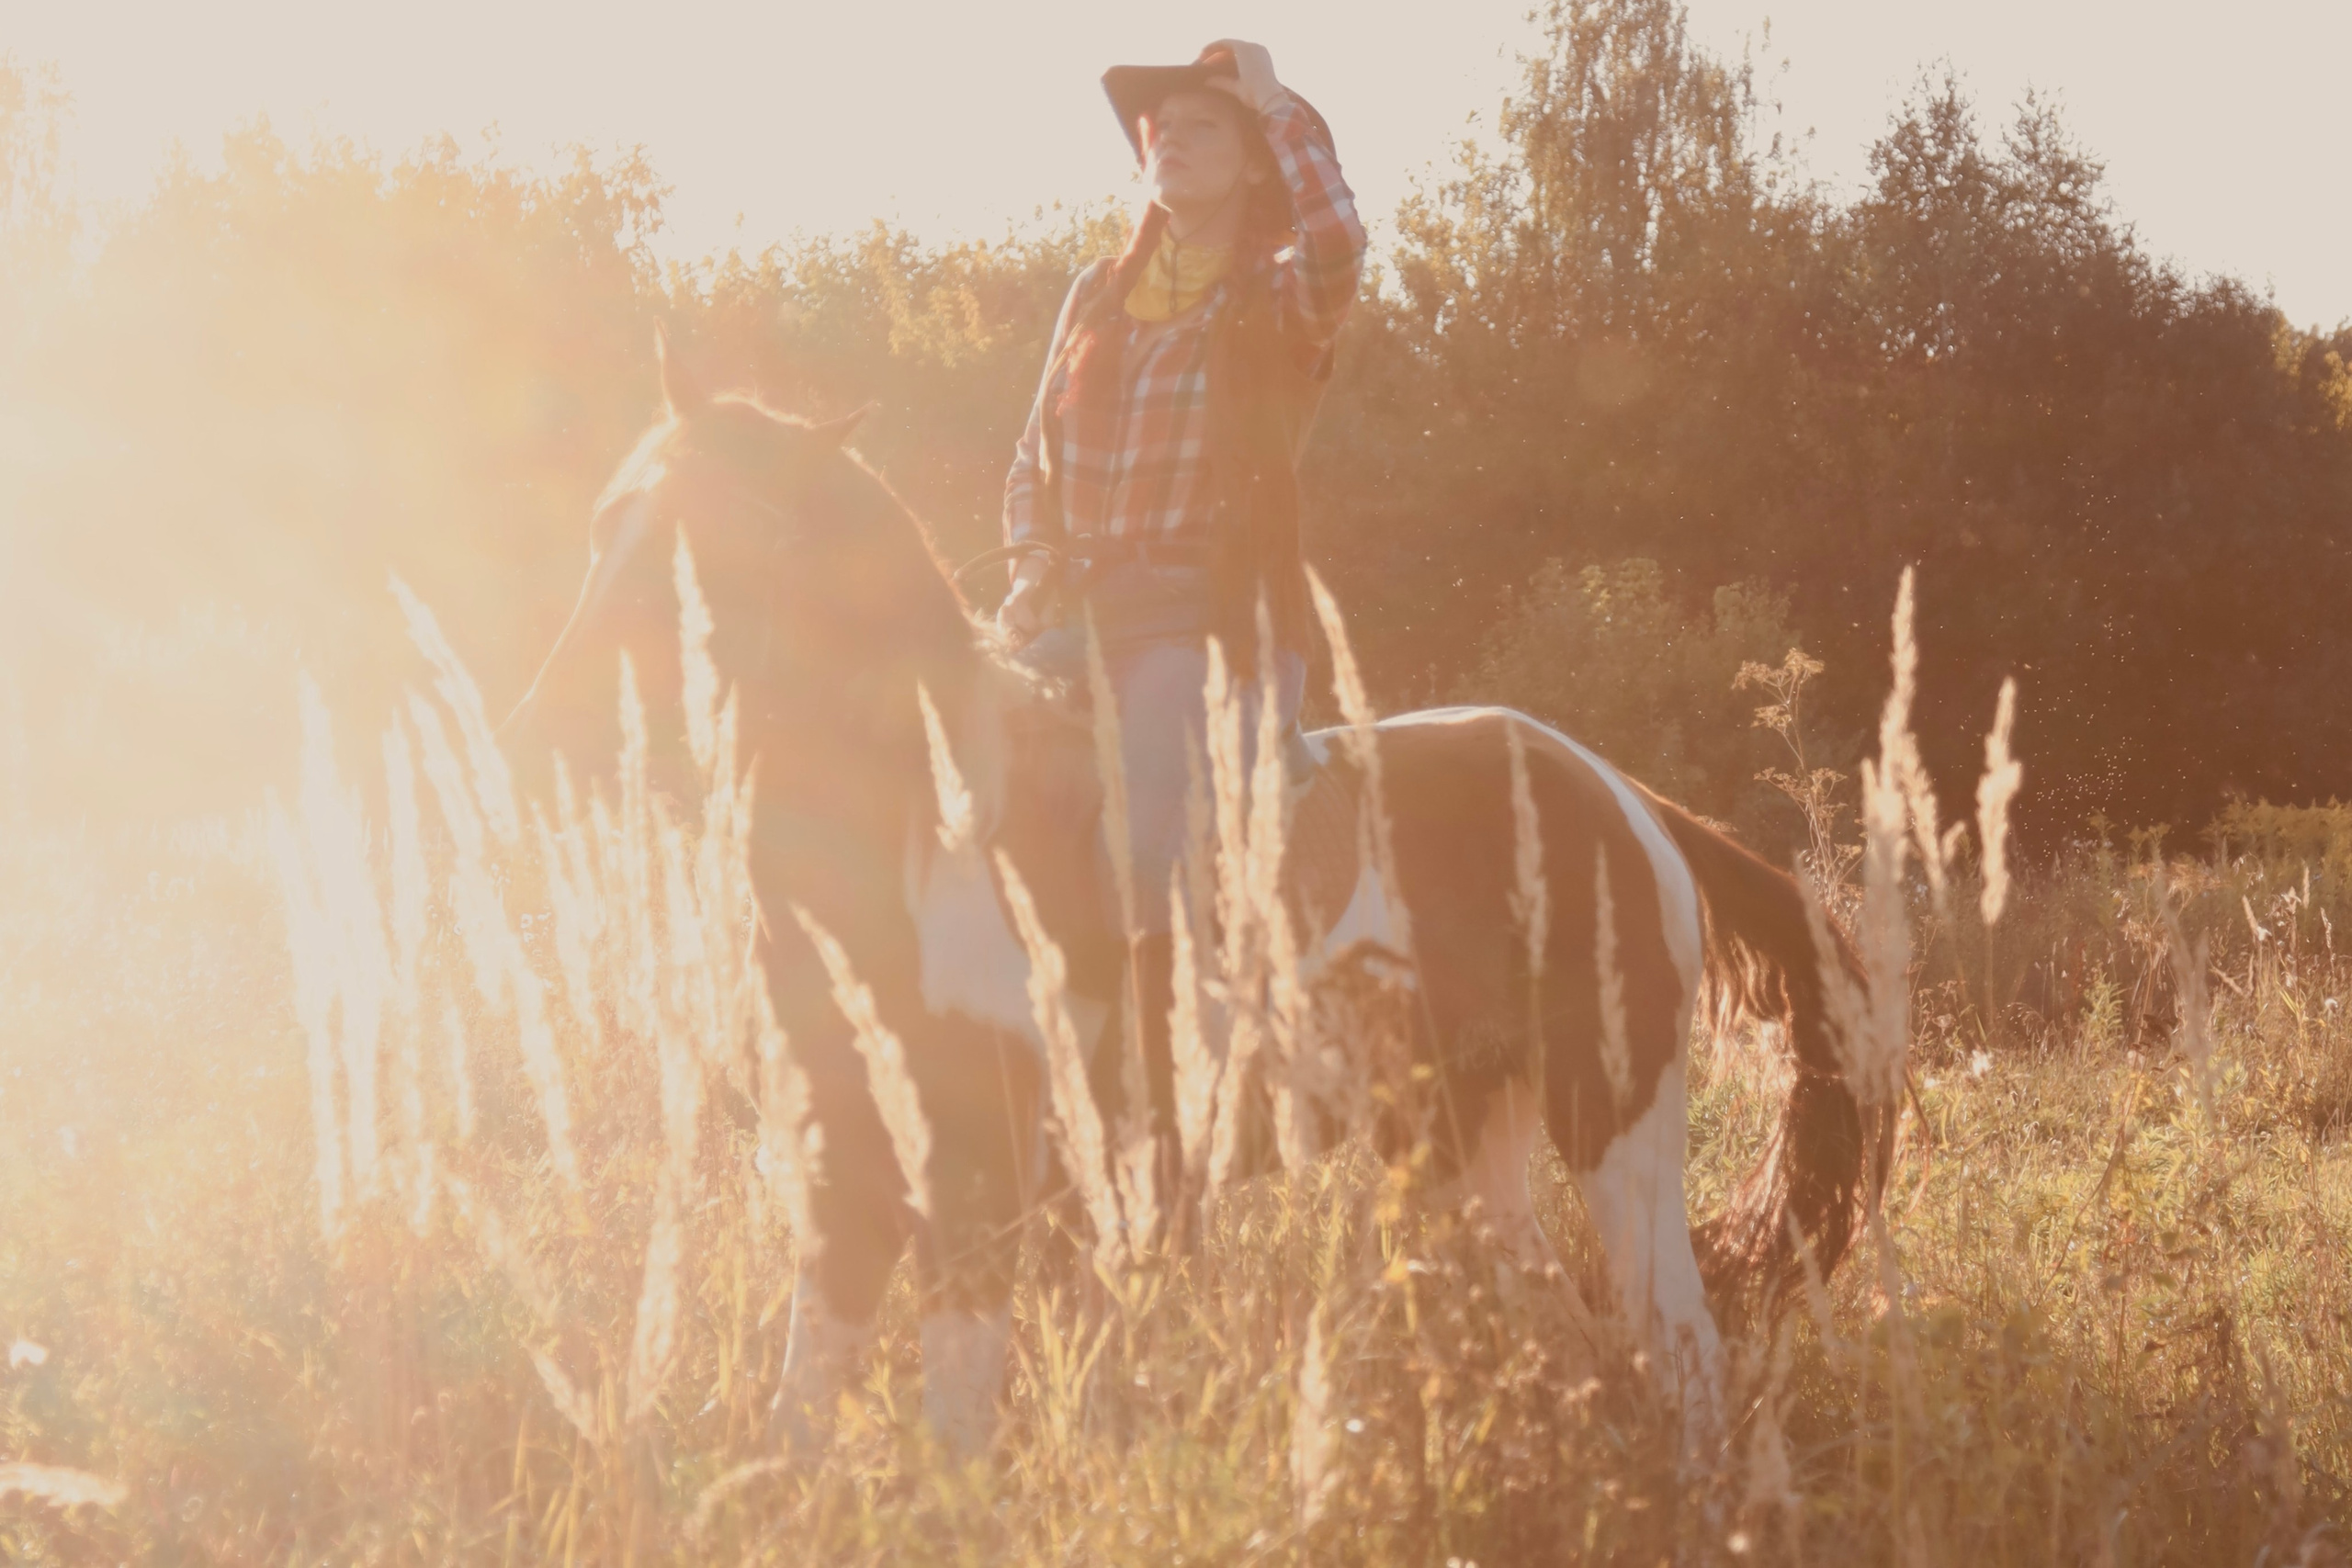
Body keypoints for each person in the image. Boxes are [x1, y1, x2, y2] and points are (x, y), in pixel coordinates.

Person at [996, 38, 1366, 1150]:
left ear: (1257, 161)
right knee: (963, 786)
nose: (1171, 140)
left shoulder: (1278, 291)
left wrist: (1272, 98)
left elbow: (1340, 238)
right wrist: (1027, 567)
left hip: (1210, 622)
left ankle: (1140, 1122)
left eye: (1205, 126)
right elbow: (1029, 463)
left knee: (1141, 832)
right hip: (1079, 622)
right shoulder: (1093, 295)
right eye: (1160, 129)